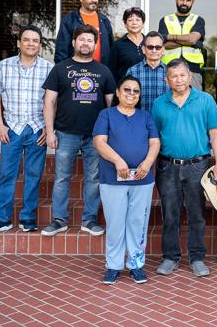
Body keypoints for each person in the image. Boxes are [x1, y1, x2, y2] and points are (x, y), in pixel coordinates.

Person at [151, 58, 217, 277]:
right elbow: (154, 138)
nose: (179, 79)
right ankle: (171, 257)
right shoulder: (159, 104)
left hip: (198, 166)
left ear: (189, 75)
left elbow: (214, 134)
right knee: (170, 214)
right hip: (167, 166)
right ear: (167, 80)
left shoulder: (205, 100)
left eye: (182, 75)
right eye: (173, 76)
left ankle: (197, 257)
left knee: (197, 214)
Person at [41, 24, 117, 237]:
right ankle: (59, 219)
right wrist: (50, 131)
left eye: (90, 40)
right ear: (73, 43)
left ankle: (89, 220)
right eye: (81, 40)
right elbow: (49, 102)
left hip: (96, 136)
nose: (86, 43)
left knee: (93, 178)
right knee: (61, 177)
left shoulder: (103, 71)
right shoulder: (60, 68)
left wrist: (110, 134)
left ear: (95, 44)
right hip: (65, 133)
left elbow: (111, 105)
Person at [0, 25, 54, 234]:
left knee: (33, 174)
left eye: (35, 41)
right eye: (27, 40)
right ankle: (2, 218)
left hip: (37, 129)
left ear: (40, 45)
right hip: (11, 128)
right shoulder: (4, 66)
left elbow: (53, 102)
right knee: (7, 174)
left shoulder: (48, 68)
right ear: (19, 43)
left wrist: (49, 129)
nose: (31, 44)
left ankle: (27, 217)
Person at [93, 75, 161, 285]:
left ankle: (136, 265)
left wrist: (148, 163)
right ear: (119, 92)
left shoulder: (146, 117)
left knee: (137, 223)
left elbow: (155, 143)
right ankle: (113, 266)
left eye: (135, 91)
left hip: (142, 179)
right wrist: (118, 161)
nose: (131, 94)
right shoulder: (106, 115)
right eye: (127, 89)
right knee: (115, 223)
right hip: (113, 178)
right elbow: (99, 142)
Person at [54, 0, 114, 67]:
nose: (94, 0)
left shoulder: (104, 20)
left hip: (100, 72)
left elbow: (112, 49)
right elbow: (61, 51)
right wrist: (63, 73)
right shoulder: (69, 19)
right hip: (76, 72)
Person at [159, 0, 206, 91]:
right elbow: (163, 45)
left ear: (193, 2)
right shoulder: (165, 20)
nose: (184, 2)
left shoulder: (198, 20)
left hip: (192, 70)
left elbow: (193, 39)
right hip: (169, 70)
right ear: (176, 0)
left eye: (188, 0)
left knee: (194, 104)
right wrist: (188, 41)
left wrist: (168, 37)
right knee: (169, 103)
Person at [126, 31, 170, 114]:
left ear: (163, 50)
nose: (154, 50)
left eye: (158, 47)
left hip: (164, 123)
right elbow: (126, 100)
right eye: (150, 47)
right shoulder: (132, 71)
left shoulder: (170, 72)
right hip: (139, 122)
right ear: (143, 49)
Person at [108, 7, 146, 85]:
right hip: (125, 90)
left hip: (146, 89)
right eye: (130, 20)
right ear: (125, 24)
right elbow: (112, 71)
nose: (134, 23)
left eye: (138, 20)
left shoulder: (149, 43)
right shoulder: (118, 44)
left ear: (143, 23)